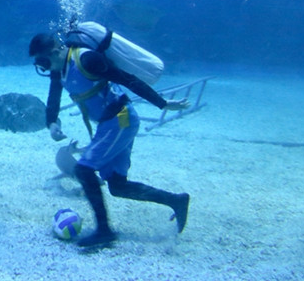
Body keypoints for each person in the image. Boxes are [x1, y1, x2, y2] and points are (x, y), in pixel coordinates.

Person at [29, 32, 190, 247]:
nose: (44, 68)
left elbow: (126, 78)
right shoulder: (59, 69)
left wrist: (162, 103)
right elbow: (53, 97)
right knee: (117, 186)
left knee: (83, 169)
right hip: (108, 124)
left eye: (43, 61)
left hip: (120, 120)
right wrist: (52, 124)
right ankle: (176, 200)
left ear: (56, 50)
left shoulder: (87, 59)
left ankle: (104, 231)